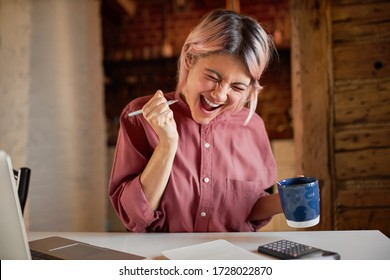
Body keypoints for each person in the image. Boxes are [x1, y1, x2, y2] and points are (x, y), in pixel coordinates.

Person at [108, 9, 283, 232]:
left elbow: (248, 210)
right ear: (190, 59)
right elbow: (134, 217)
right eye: (212, 77)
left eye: (237, 87)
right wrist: (167, 144)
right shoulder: (141, 116)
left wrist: (286, 201)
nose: (219, 95)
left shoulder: (253, 126)